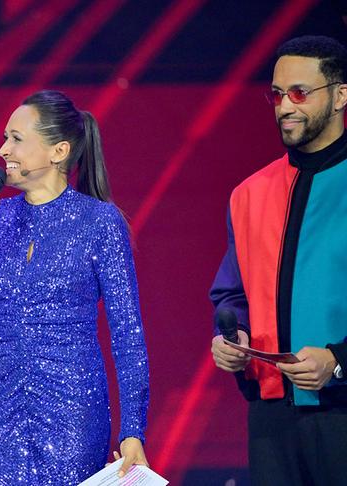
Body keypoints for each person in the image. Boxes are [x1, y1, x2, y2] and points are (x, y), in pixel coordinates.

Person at [0, 90, 150, 484]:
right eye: (5, 138)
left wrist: (133, 429)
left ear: (58, 151)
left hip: (72, 410)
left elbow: (128, 334)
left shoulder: (99, 223)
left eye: (17, 139)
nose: (4, 150)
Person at [209, 35, 347, 485]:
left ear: (341, 94)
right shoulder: (248, 194)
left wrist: (338, 359)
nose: (284, 106)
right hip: (272, 422)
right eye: (276, 94)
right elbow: (232, 293)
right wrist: (233, 338)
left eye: (299, 93)